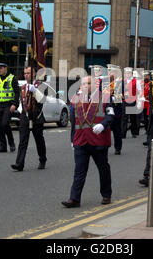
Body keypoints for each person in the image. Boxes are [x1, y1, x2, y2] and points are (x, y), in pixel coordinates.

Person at [62, 76, 114, 208]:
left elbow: (110, 115)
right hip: (81, 140)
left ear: (95, 85)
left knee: (103, 169)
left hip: (99, 140)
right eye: (84, 83)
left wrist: (103, 124)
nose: (86, 86)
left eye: (89, 83)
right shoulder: (76, 99)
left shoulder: (105, 97)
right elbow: (74, 122)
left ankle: (106, 194)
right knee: (79, 171)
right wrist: (72, 140)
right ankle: (74, 198)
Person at [11, 67, 47, 171]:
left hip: (37, 117)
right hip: (25, 116)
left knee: (39, 140)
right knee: (22, 141)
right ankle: (19, 163)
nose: (26, 75)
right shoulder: (23, 87)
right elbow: (21, 101)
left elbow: (43, 100)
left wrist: (35, 90)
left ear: (34, 74)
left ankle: (42, 159)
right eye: (25, 73)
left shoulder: (41, 85)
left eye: (29, 73)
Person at [0, 61, 19, 153]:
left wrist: (15, 104)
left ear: (6, 68)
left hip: (8, 105)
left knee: (4, 124)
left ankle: (11, 143)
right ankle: (3, 146)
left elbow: (17, 93)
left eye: (1, 68)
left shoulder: (12, 78)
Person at [105, 64, 124, 155]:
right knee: (105, 129)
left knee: (116, 130)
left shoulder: (121, 82)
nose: (109, 73)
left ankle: (118, 148)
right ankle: (104, 146)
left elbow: (126, 95)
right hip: (106, 108)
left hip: (116, 108)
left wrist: (115, 97)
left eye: (111, 71)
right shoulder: (104, 82)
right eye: (108, 71)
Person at [121, 67, 141, 138]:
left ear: (131, 73)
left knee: (133, 118)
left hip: (133, 101)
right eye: (126, 73)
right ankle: (123, 133)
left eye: (129, 73)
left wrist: (138, 101)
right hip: (124, 101)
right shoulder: (123, 81)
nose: (127, 74)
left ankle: (134, 132)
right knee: (124, 118)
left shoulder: (136, 81)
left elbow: (139, 91)